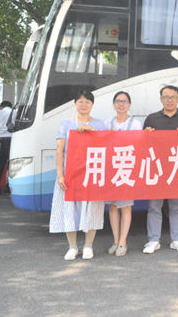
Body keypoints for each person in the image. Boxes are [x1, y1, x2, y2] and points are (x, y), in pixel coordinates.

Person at [49, 91, 106, 261]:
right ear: (75, 104)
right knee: (69, 210)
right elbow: (60, 150)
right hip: (71, 175)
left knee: (92, 210)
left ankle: (88, 246)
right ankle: (72, 247)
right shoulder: (66, 124)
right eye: (80, 101)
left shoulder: (99, 124)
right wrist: (60, 175)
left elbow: (106, 145)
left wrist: (92, 131)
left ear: (92, 105)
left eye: (88, 102)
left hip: (92, 174)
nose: (84, 105)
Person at [142, 85, 178, 254]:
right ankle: (153, 240)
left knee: (176, 206)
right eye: (166, 97)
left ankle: (176, 239)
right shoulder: (152, 118)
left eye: (173, 97)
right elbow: (143, 144)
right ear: (161, 99)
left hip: (176, 169)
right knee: (154, 206)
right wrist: (146, 133)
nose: (169, 100)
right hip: (157, 168)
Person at [105, 91, 142, 257]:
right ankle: (115, 240)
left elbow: (138, 143)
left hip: (127, 168)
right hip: (111, 168)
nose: (121, 104)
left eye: (125, 101)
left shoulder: (135, 123)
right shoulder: (107, 123)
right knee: (113, 206)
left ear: (129, 104)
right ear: (114, 104)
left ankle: (123, 242)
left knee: (126, 206)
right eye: (118, 101)